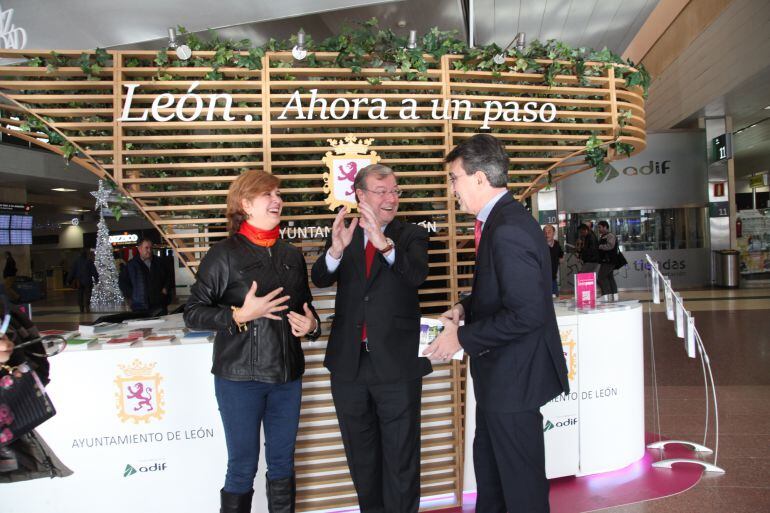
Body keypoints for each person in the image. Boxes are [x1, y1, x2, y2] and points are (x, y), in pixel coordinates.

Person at [424, 134, 569, 513]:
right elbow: (504, 293)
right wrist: (465, 307)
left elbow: (526, 313)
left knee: (520, 489)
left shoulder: (507, 228)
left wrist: (461, 338)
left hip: (514, 380)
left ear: (479, 178)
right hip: (503, 380)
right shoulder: (502, 221)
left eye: (454, 179)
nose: (452, 189)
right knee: (493, 480)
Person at [184, 170, 321, 513]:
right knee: (242, 467)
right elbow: (193, 313)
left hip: (287, 378)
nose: (277, 200)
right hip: (240, 379)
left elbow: (307, 308)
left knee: (282, 464)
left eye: (279, 194)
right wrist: (238, 315)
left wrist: (311, 325)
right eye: (267, 195)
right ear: (245, 204)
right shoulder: (224, 254)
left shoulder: (291, 254)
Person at [311, 164, 431, 513]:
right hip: (350, 364)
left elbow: (416, 276)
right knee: (361, 458)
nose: (391, 198)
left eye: (395, 190)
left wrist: (384, 245)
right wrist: (335, 252)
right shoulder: (346, 234)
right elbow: (320, 279)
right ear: (360, 195)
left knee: (401, 457)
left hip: (397, 363)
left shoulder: (411, 235)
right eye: (381, 191)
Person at [121, 238, 172, 315]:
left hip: (159, 305)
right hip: (139, 307)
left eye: (151, 248)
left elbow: (169, 277)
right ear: (139, 249)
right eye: (146, 248)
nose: (149, 250)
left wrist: (165, 289)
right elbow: (123, 283)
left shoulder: (160, 262)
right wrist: (133, 294)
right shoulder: (131, 265)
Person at [67, 248, 98, 313]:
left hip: (79, 281)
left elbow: (72, 271)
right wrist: (96, 278)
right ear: (86, 254)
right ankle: (87, 306)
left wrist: (69, 280)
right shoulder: (89, 261)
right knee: (88, 294)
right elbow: (93, 271)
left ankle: (81, 308)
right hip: (88, 281)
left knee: (80, 294)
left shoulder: (76, 262)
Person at [597, 220, 619, 301]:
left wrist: (599, 246)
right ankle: (614, 296)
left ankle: (606, 295)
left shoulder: (610, 235)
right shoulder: (604, 236)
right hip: (608, 260)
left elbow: (610, 246)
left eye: (600, 227)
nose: (599, 229)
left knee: (601, 277)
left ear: (605, 227)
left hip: (608, 261)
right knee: (609, 277)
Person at [543, 224, 564, 297]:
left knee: (556, 299)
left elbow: (561, 253)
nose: (547, 234)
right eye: (545, 232)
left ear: (554, 233)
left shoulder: (557, 244)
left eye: (549, 232)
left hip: (553, 278)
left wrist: (561, 258)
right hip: (544, 279)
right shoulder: (541, 245)